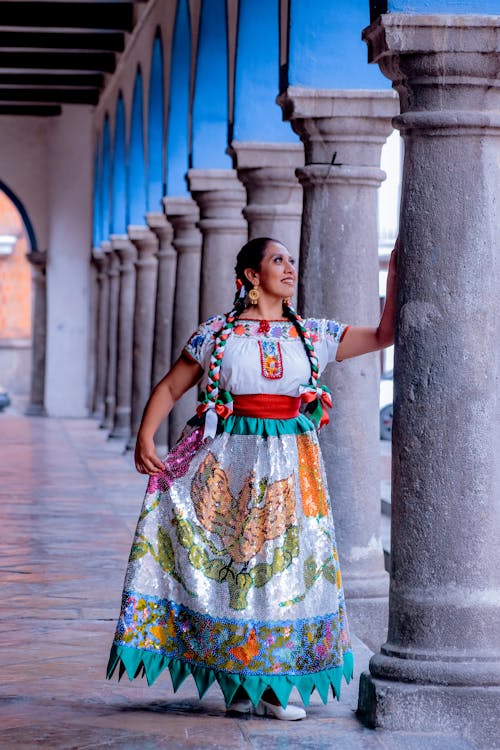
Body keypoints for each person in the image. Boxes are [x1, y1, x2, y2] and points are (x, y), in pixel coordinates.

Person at [107, 236, 396, 720]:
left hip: (290, 466)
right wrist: (146, 435)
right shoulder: (217, 334)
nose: (289, 268)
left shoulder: (313, 334)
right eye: (277, 260)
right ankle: (239, 684)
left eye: (291, 261)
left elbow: (384, 335)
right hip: (226, 463)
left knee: (280, 574)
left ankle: (274, 687)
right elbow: (173, 385)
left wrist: (397, 267)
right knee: (233, 571)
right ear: (250, 276)